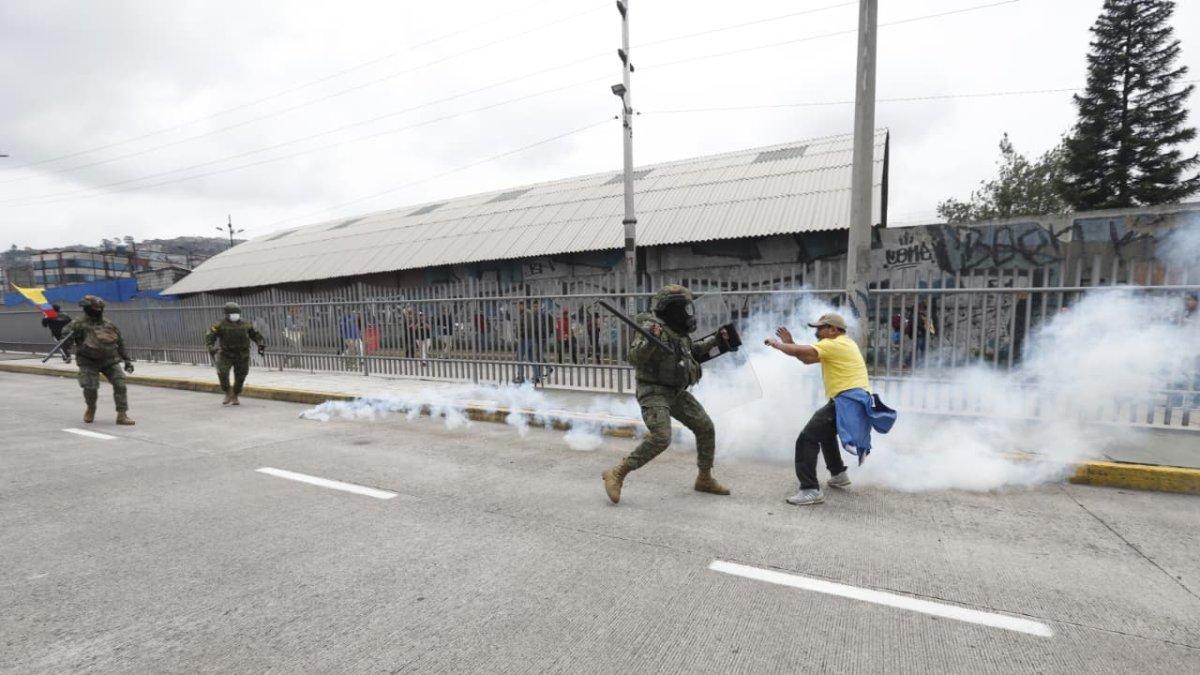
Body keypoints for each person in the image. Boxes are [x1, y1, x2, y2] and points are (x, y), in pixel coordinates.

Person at [601, 284, 731, 504]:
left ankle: (704, 478)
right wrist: (652, 341)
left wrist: (717, 340)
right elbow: (634, 358)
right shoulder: (652, 328)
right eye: (684, 307)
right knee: (662, 437)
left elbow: (692, 351)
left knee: (705, 427)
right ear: (671, 308)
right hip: (653, 391)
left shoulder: (676, 330)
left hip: (675, 391)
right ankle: (617, 473)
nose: (688, 313)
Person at [765, 312, 873, 506]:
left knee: (807, 438)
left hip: (848, 400)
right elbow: (806, 358)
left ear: (833, 329)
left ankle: (810, 489)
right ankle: (838, 473)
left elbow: (801, 352)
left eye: (820, 328)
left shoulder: (835, 344)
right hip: (850, 400)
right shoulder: (842, 344)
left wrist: (778, 344)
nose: (817, 331)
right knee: (824, 434)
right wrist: (791, 343)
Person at [64, 295, 135, 425]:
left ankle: (122, 415)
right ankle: (91, 408)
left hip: (110, 360)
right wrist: (67, 343)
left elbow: (120, 342)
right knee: (90, 387)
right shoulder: (78, 324)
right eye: (94, 308)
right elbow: (65, 337)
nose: (97, 311)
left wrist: (127, 360)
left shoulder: (108, 324)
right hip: (88, 361)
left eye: (99, 308)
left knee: (120, 384)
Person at [205, 302, 266, 406]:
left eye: (236, 313)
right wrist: (210, 346)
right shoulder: (220, 324)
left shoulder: (246, 324)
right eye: (232, 313)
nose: (235, 315)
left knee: (241, 376)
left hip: (242, 354)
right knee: (222, 372)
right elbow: (210, 335)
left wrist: (260, 344)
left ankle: (235, 394)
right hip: (226, 354)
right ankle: (228, 391)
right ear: (227, 314)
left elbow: (255, 335)